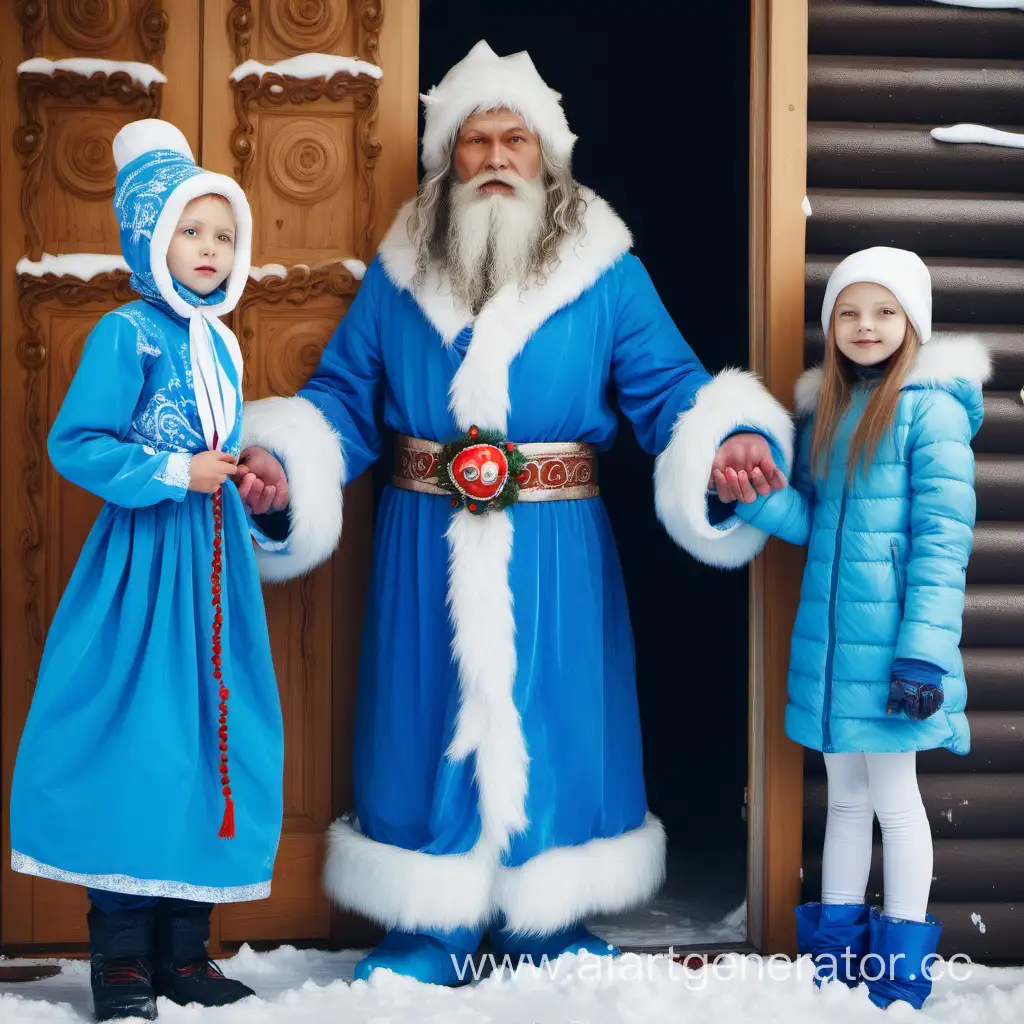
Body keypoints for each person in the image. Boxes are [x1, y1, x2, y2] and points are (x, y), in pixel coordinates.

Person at [236, 41, 792, 985]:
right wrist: (286, 461)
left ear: (548, 156)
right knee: (425, 710)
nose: (495, 157)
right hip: (425, 536)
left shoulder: (606, 268)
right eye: (474, 141)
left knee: (559, 708)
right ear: (448, 158)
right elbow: (340, 394)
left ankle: (547, 919)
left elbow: (671, 387)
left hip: (556, 539)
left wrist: (727, 440)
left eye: (515, 140)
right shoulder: (401, 268)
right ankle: (432, 924)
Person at [9, 119, 282, 1021]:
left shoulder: (221, 340)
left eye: (224, 235)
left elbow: (220, 443)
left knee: (215, 742)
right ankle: (120, 955)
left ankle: (184, 950)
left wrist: (241, 477)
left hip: (216, 569)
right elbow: (76, 441)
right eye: (191, 232)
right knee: (139, 745)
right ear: (149, 239)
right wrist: (174, 472)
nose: (210, 250)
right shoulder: (130, 334)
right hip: (143, 571)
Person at [727, 247, 989, 1009]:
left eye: (883, 312)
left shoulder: (931, 409)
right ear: (830, 324)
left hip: (900, 657)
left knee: (896, 802)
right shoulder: (832, 411)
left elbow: (944, 543)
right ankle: (836, 966)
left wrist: (924, 657)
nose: (865, 326)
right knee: (844, 800)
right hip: (834, 653)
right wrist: (755, 501)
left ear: (912, 322)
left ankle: (900, 972)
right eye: (849, 312)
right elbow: (813, 520)